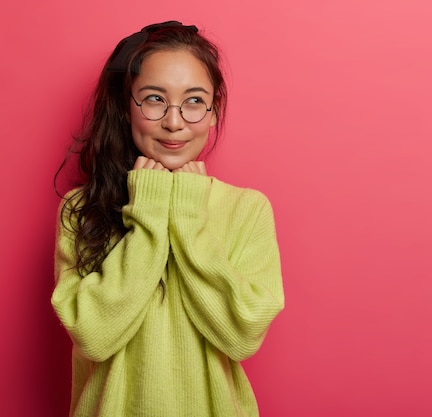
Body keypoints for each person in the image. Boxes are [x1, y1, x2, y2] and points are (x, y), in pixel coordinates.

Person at [52, 21, 284, 417]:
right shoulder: (81, 208)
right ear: (126, 109)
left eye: (194, 101)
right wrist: (149, 213)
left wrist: (189, 219)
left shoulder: (249, 209)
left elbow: (242, 335)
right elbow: (92, 335)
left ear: (214, 112)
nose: (174, 122)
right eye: (154, 99)